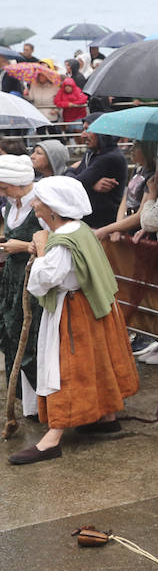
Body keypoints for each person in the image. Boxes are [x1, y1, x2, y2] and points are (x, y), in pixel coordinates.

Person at [7, 177, 139, 465]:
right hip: (95, 308)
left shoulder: (63, 242)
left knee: (67, 370)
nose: (34, 205)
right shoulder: (80, 229)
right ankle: (106, 417)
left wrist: (41, 247)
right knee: (97, 363)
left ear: (54, 209)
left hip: (74, 313)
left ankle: (53, 439)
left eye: (39, 201)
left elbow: (43, 281)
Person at [0, 155, 42, 419]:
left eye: (4, 187)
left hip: (34, 280)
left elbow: (53, 245)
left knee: (32, 340)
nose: (1, 192)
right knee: (11, 335)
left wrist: (23, 247)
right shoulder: (9, 206)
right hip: (12, 279)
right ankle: (27, 403)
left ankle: (42, 404)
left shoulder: (40, 205)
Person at [65, 116, 127, 230]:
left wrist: (70, 170)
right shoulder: (91, 153)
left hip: (102, 227)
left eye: (88, 130)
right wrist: (91, 185)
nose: (83, 135)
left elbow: (72, 184)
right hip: (88, 223)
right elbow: (73, 182)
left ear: (103, 132)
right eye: (83, 129)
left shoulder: (110, 157)